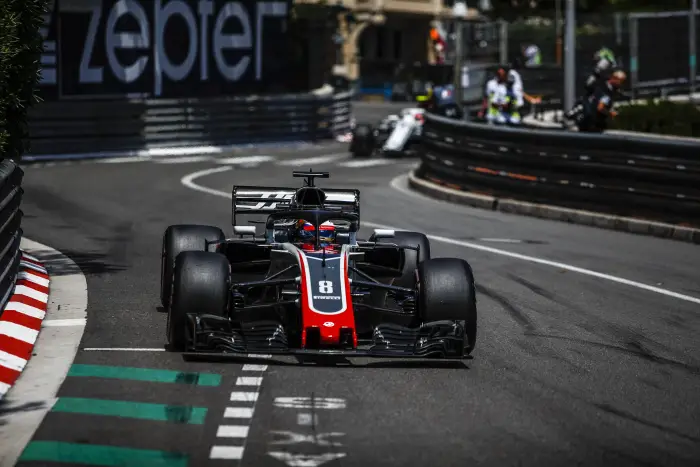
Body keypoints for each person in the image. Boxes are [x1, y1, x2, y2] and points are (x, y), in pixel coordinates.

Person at [564, 47, 618, 121]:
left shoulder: (605, 62)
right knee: (588, 98)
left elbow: (598, 72)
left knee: (591, 98)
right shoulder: (607, 64)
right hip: (598, 85)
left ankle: (575, 112)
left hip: (599, 85)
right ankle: (575, 111)